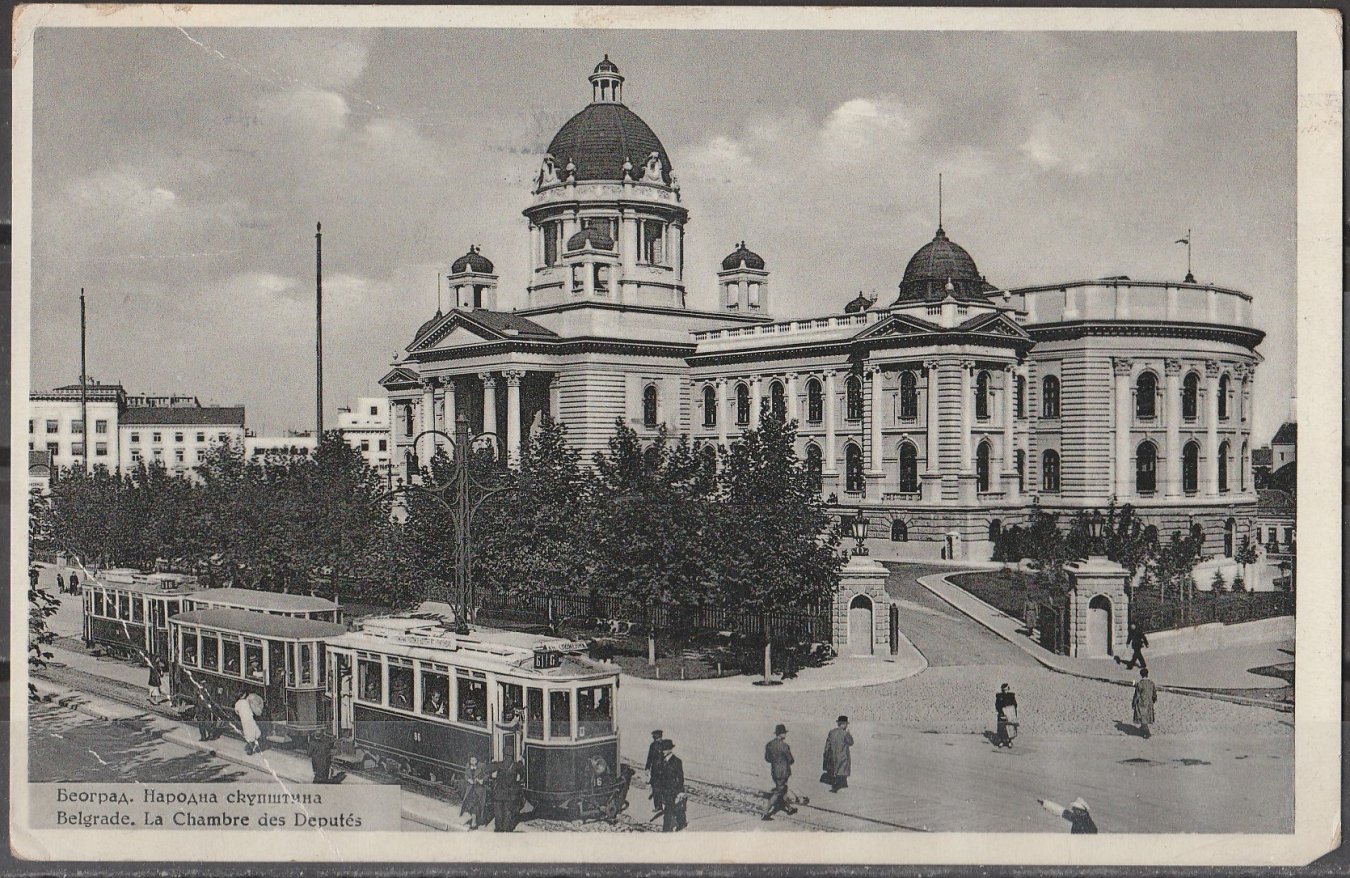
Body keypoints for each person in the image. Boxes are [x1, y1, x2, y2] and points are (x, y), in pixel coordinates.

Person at [761, 723, 797, 820]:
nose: (785, 735)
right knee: (778, 792)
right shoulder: (785, 746)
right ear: (780, 734)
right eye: (784, 733)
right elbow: (791, 760)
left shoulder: (769, 745)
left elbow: (767, 758)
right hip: (783, 773)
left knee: (783, 790)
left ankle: (789, 809)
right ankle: (765, 813)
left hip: (774, 772)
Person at [658, 739, 686, 832]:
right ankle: (681, 823)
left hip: (673, 790)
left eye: (665, 749)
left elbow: (680, 777)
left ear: (670, 749)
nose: (663, 751)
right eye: (662, 750)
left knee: (668, 811)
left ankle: (666, 830)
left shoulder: (677, 761)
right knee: (674, 809)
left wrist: (680, 791)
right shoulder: (662, 761)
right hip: (665, 791)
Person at [490, 759, 525, 832]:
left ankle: (498, 828)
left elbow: (488, 770)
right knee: (508, 811)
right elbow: (522, 775)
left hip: (499, 792)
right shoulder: (516, 766)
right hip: (510, 793)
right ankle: (507, 828)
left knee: (498, 811)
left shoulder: (499, 764)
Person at [822, 715, 854, 792]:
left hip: (833, 755)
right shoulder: (845, 734)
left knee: (834, 770)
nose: (846, 726)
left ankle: (837, 784)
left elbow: (827, 744)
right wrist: (850, 735)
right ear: (843, 724)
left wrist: (826, 753)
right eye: (846, 724)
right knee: (841, 772)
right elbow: (851, 743)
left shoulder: (832, 732)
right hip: (842, 756)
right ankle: (837, 786)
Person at [460, 756, 488, 828]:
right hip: (470, 789)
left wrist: (481, 780)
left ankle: (474, 821)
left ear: (477, 760)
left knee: (475, 805)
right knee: (469, 805)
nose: (473, 761)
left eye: (475, 759)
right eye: (471, 760)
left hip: (479, 789)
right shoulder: (468, 767)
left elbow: (486, 776)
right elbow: (466, 775)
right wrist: (468, 779)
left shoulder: (481, 766)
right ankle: (474, 819)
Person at [644, 729, 665, 816]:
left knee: (659, 788)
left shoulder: (661, 745)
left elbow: (650, 758)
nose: (655, 738)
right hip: (656, 770)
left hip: (661, 770)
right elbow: (650, 757)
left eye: (656, 736)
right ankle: (658, 807)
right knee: (656, 788)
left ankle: (660, 806)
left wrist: (647, 768)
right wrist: (647, 768)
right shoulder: (653, 745)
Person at [1132, 668, 1157, 738]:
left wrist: (1133, 703)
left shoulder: (1140, 684)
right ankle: (1145, 731)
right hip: (1149, 703)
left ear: (1141, 675)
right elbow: (1154, 694)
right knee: (1146, 717)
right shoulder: (1151, 683)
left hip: (1141, 702)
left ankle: (1145, 733)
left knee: (1142, 717)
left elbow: (1137, 695)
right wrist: (1153, 700)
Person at [994, 683, 1019, 748]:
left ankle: (1009, 741)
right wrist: (1001, 712)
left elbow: (1015, 705)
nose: (1005, 691)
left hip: (1010, 714)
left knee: (1010, 727)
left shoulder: (1011, 696)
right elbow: (997, 705)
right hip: (1002, 713)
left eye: (1006, 689)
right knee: (1002, 727)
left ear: (1008, 689)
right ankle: (1002, 741)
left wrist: (1011, 712)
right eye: (1004, 690)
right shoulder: (999, 696)